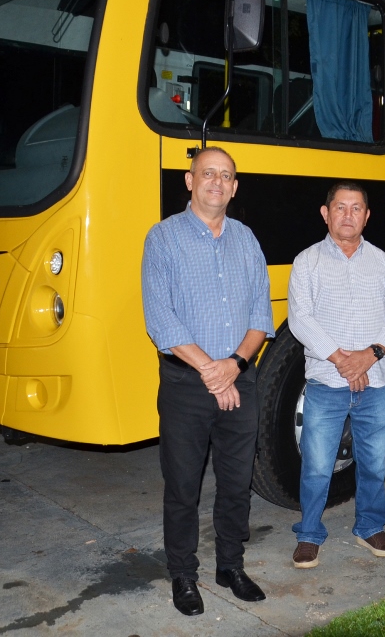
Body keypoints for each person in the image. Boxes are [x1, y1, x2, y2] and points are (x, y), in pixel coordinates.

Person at [141, 146, 274, 616]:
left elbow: (261, 314)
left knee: (237, 483)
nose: (217, 182)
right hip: (186, 387)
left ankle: (230, 566)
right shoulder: (163, 238)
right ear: (190, 180)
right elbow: (161, 320)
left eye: (226, 175)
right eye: (208, 173)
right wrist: (213, 373)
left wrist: (233, 365)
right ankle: (183, 574)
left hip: (240, 378)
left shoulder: (246, 239)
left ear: (234, 187)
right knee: (183, 487)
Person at [287, 182, 385, 569]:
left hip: (375, 383)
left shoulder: (383, 263)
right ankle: (309, 533)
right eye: (340, 207)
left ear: (366, 216)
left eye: (356, 208)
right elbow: (300, 318)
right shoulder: (307, 262)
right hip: (327, 382)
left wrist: (368, 356)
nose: (348, 215)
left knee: (374, 464)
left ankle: (369, 527)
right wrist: (343, 360)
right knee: (317, 465)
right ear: (326, 213)